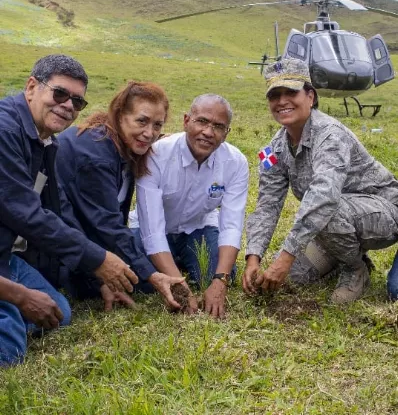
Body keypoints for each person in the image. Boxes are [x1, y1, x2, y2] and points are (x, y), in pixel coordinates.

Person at [0, 54, 137, 366]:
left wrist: (95, 273)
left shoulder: (45, 141)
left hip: (6, 256)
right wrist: (99, 258)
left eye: (77, 102)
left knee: (58, 311)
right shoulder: (5, 131)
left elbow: (56, 213)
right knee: (8, 350)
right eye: (59, 94)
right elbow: (26, 214)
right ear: (31, 86)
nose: (67, 106)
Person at [243, 58, 398, 304]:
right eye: (274, 95)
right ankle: (340, 253)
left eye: (291, 92)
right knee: (294, 277)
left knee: (327, 208)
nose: (282, 101)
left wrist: (285, 256)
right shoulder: (271, 151)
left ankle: (355, 269)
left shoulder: (330, 135)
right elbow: (266, 205)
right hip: (336, 224)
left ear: (310, 97)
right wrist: (254, 257)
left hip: (386, 214)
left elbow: (324, 198)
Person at [55, 81, 185, 310]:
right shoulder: (96, 154)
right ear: (120, 115)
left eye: (157, 125)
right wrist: (152, 275)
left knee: (146, 267)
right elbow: (105, 225)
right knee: (141, 281)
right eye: (142, 121)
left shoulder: (120, 144)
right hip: (61, 249)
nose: (149, 133)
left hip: (86, 237)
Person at [134, 93, 249, 319]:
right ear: (186, 121)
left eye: (218, 126)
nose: (208, 132)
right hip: (154, 231)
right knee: (138, 279)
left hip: (197, 228)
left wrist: (221, 280)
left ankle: (178, 261)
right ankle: (175, 265)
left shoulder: (235, 162)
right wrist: (179, 285)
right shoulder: (156, 154)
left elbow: (232, 225)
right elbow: (152, 231)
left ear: (226, 134)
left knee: (217, 273)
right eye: (202, 121)